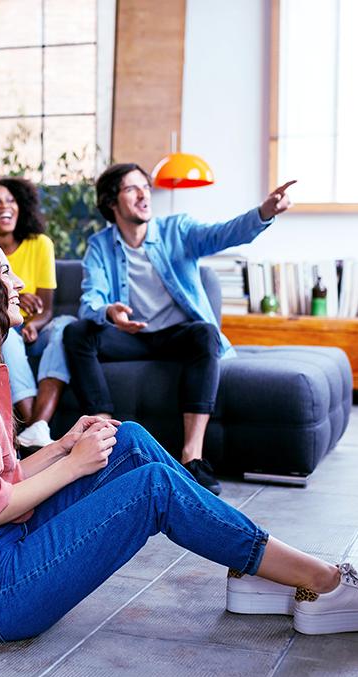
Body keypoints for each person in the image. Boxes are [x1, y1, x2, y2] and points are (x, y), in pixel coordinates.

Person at [0, 234, 358, 644]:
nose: (19, 281)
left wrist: (63, 446)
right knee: (154, 487)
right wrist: (71, 468)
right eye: (5, 271)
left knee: (130, 438)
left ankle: (252, 567)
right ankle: (320, 580)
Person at [64, 163, 298, 495]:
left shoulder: (178, 230)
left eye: (145, 186)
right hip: (130, 336)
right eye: (132, 188)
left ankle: (192, 457)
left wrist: (263, 212)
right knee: (76, 332)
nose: (144, 193)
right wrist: (110, 312)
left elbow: (222, 234)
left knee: (205, 333)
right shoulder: (100, 246)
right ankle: (105, 442)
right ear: (111, 202)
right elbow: (90, 300)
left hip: (176, 335)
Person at [0, 177, 74, 448]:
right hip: (3, 330)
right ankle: (36, 426)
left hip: (37, 333)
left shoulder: (40, 244)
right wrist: (14, 302)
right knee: (4, 331)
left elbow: (46, 308)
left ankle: (34, 430)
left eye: (10, 200)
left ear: (22, 206)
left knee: (66, 325)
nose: (4, 207)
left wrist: (36, 324)